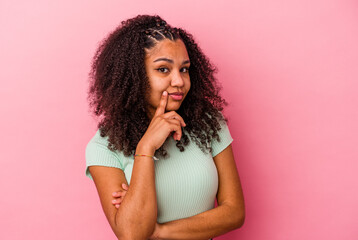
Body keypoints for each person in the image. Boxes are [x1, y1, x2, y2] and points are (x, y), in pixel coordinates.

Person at [85, 14, 245, 240]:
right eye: (163, 69)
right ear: (134, 76)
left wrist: (159, 232)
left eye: (184, 69)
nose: (179, 81)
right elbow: (132, 235)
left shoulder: (208, 123)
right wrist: (146, 148)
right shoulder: (104, 147)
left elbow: (234, 212)